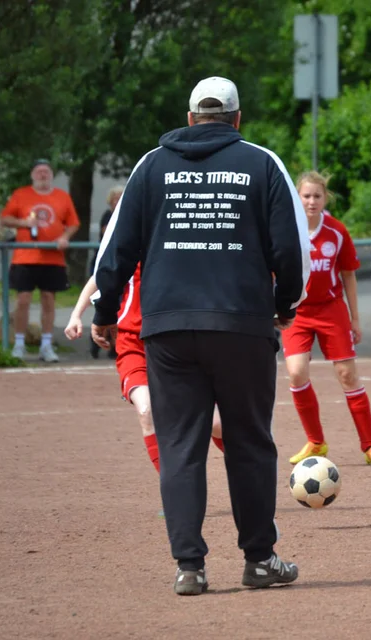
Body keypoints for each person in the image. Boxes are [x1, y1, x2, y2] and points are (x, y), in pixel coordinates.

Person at [90, 76, 309, 596]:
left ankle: (190, 567)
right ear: (237, 118)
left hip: (167, 328)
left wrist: (104, 310)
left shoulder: (150, 166)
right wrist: (283, 307)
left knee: (181, 446)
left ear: (190, 118)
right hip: (242, 326)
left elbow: (115, 248)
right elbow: (291, 250)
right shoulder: (261, 163)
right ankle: (259, 560)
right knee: (250, 443)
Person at [283, 171, 371, 467]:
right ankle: (316, 442)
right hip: (298, 312)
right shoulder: (286, 229)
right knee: (295, 372)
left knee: (347, 374)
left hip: (332, 309)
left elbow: (349, 276)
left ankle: (370, 446)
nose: (311, 201)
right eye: (306, 196)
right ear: (297, 196)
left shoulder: (336, 231)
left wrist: (355, 318)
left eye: (317, 196)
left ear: (325, 198)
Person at [64, 271, 225, 471]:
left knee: (216, 423)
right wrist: (76, 315)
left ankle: (247, 472)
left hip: (178, 337)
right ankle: (176, 495)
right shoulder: (134, 241)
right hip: (133, 341)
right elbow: (103, 272)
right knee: (146, 410)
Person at [0, 159, 80, 362]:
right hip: (25, 257)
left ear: (52, 175)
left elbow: (73, 223)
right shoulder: (21, 194)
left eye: (46, 172)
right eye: (39, 172)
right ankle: (19, 344)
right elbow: (5, 219)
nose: (43, 175)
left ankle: (46, 345)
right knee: (23, 300)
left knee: (48, 301)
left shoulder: (62, 196)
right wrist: (24, 223)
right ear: (32, 175)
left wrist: (65, 237)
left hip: (52, 258)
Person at [90, 185, 124, 360]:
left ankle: (114, 346)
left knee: (117, 304)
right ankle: (95, 344)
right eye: (115, 198)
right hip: (104, 263)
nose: (118, 200)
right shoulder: (108, 215)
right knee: (101, 301)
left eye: (121, 197)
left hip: (118, 263)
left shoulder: (128, 213)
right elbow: (108, 233)